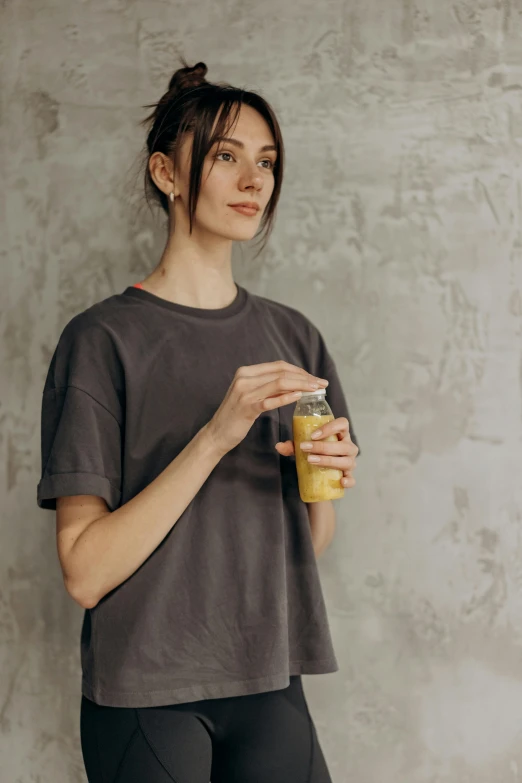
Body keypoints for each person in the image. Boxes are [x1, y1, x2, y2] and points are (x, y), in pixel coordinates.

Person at [37, 57, 360, 783]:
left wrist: (326, 483)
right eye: (225, 156)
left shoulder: (294, 338)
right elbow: (85, 571)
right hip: (148, 696)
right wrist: (216, 435)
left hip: (271, 681)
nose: (254, 182)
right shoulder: (102, 341)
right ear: (166, 172)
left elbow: (311, 541)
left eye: (267, 162)